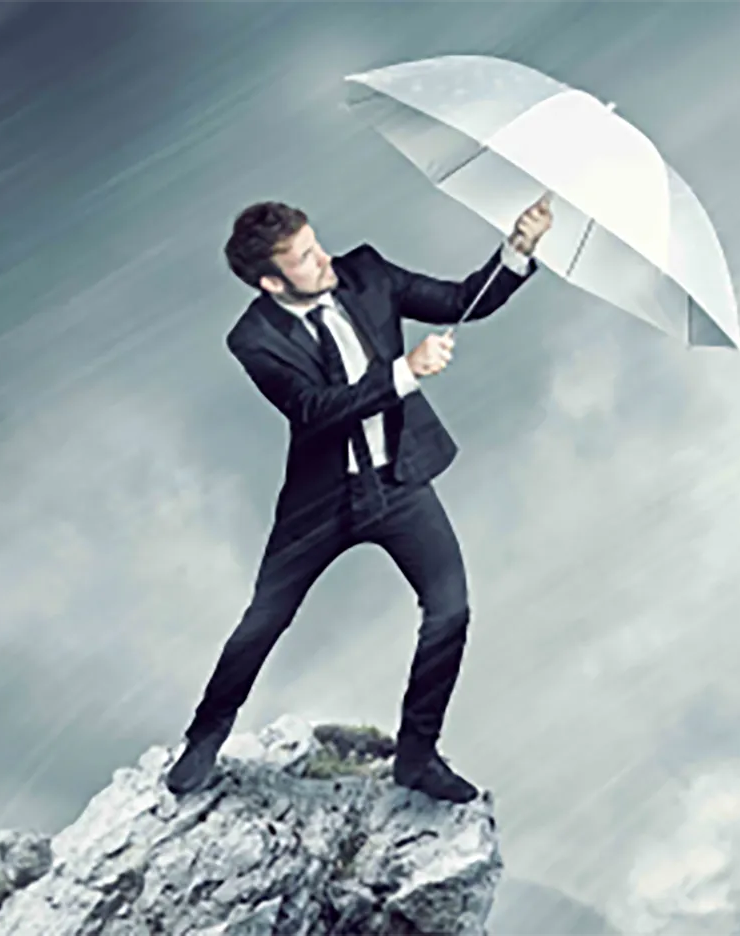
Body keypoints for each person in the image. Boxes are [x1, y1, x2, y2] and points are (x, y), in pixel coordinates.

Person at [165, 194, 554, 802]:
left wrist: (517, 250)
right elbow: (314, 412)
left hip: (398, 479)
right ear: (270, 281)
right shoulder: (252, 340)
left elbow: (458, 301)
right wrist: (405, 371)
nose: (324, 260)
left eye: (317, 243)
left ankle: (417, 757)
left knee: (450, 608)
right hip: (321, 501)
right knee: (264, 619)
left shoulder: (367, 272)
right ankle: (205, 736)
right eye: (304, 257)